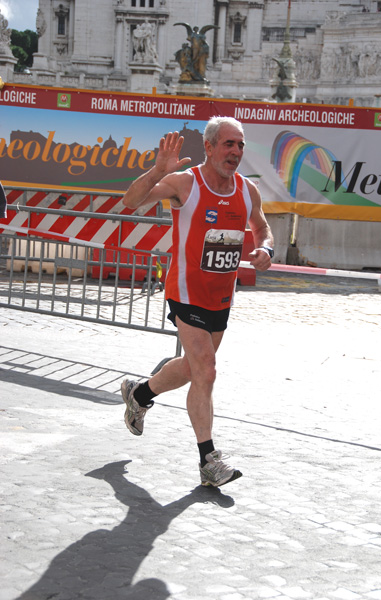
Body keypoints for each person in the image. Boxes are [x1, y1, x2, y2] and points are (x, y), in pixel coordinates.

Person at [121, 116, 274, 487]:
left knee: (193, 368)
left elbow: (262, 227)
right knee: (206, 368)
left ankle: (139, 394)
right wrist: (158, 170)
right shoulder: (184, 184)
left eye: (240, 145)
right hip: (185, 291)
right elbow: (130, 202)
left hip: (221, 296)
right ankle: (209, 460)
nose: (236, 152)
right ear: (209, 147)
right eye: (228, 144)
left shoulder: (246, 190)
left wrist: (265, 248)